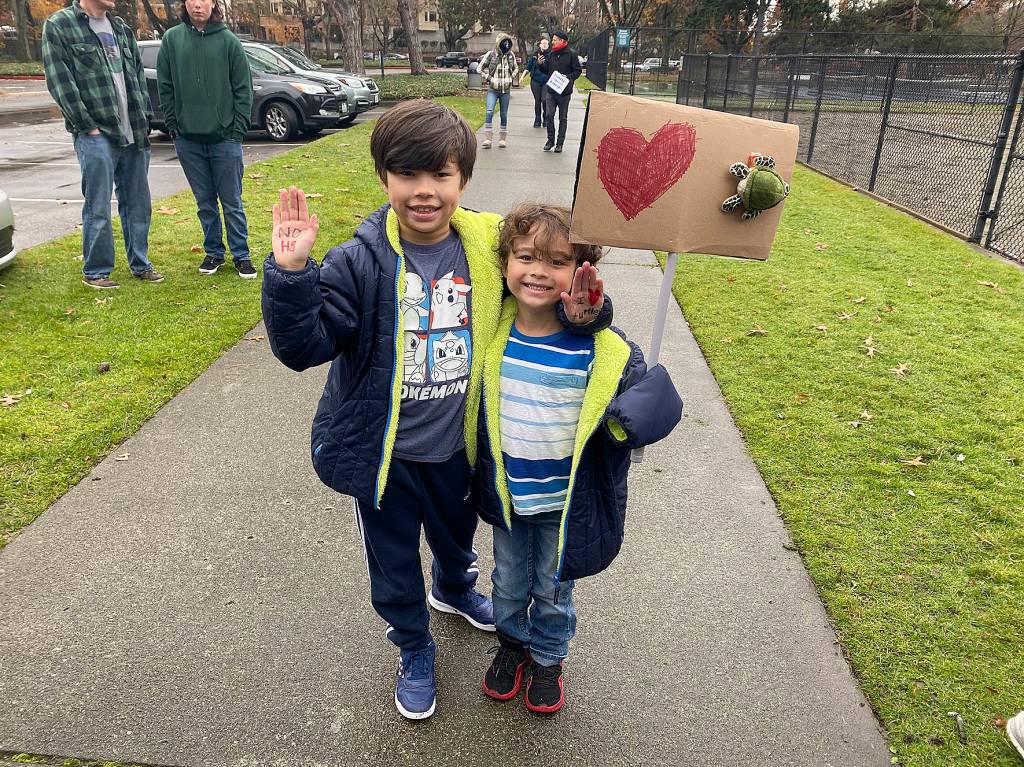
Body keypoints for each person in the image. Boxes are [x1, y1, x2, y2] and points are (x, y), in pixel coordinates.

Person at [260, 100, 611, 721]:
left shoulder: (485, 244)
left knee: (456, 537)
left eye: (441, 176)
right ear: (384, 179)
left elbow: (546, 289)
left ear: (463, 181)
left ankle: (453, 588)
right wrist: (291, 276)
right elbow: (305, 346)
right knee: (394, 564)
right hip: (386, 459)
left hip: (457, 447)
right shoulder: (359, 262)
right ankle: (414, 645)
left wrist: (588, 311)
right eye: (408, 176)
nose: (425, 192)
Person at [474, 204, 682, 714]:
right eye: (526, 256)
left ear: (581, 273)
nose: (539, 271)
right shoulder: (490, 329)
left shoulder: (599, 349)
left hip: (565, 504)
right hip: (511, 496)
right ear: (504, 266)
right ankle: (511, 645)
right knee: (506, 582)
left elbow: (657, 402)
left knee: (552, 588)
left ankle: (547, 658)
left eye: (558, 261)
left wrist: (630, 418)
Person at [42, 0, 163, 289]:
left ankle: (141, 263)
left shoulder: (121, 28)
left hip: (133, 130)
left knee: (138, 203)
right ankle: (96, 270)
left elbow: (135, 77)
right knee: (98, 203)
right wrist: (88, 127)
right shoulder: (60, 26)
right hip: (97, 134)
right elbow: (60, 82)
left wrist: (144, 120)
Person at [157, 0, 254, 279]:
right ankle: (214, 252)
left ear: (213, 4)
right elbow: (165, 86)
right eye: (192, 0)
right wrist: (174, 126)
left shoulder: (228, 42)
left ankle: (241, 255)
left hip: (225, 140)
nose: (198, 5)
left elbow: (243, 90)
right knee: (205, 203)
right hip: (188, 140)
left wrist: (237, 131)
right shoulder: (172, 40)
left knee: (232, 201)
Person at [537, 30, 582, 153]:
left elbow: (577, 71)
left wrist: (568, 77)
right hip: (551, 90)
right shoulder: (552, 54)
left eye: (555, 40)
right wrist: (540, 64)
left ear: (562, 41)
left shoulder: (572, 54)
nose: (553, 42)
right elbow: (547, 70)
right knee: (548, 115)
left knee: (563, 118)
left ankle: (559, 143)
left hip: (564, 92)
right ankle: (550, 140)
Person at [478, 33, 519, 149]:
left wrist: (511, 78)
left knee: (503, 114)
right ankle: (487, 139)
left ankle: (502, 139)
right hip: (493, 89)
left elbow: (516, 68)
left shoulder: (510, 55)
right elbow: (479, 68)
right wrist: (488, 78)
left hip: (505, 90)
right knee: (489, 111)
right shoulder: (491, 55)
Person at [525, 39, 550, 129]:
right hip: (535, 81)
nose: (544, 45)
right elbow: (529, 66)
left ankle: (545, 118)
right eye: (543, 43)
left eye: (546, 43)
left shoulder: (550, 55)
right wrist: (522, 76)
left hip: (546, 81)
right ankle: (537, 119)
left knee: (544, 99)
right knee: (537, 100)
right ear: (539, 45)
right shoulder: (535, 55)